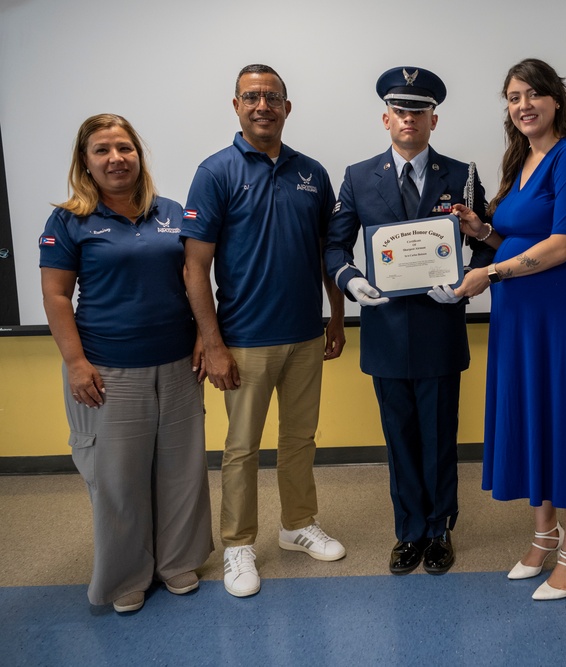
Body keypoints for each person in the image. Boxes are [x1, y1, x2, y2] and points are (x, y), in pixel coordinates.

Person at [453, 58, 566, 601]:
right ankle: (543, 537)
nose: (522, 104)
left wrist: (491, 271)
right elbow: (518, 237)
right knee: (534, 419)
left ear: (556, 99)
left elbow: (564, 244)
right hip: (521, 315)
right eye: (512, 97)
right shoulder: (519, 159)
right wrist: (482, 230)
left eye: (532, 94)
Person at [182, 64, 347, 599]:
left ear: (286, 107)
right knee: (241, 449)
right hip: (243, 340)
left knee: (299, 440)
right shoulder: (215, 172)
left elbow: (328, 253)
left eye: (271, 97)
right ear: (236, 105)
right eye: (251, 97)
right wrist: (212, 342)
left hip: (304, 335)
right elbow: (194, 266)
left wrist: (338, 315)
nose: (262, 106)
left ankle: (298, 525)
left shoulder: (312, 173)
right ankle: (238, 545)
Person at [39, 114, 213, 613]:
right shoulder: (69, 220)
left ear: (139, 154)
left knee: (182, 471)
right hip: (109, 370)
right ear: (85, 162)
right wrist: (75, 361)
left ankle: (178, 562)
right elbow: (55, 296)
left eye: (124, 148)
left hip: (179, 364)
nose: (116, 159)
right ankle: (125, 576)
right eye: (102, 150)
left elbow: (193, 277)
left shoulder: (174, 212)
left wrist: (205, 335)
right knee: (119, 479)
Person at [325, 66, 494, 575]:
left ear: (433, 120)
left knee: (441, 434)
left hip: (440, 325)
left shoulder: (461, 174)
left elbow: (485, 241)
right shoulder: (358, 176)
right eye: (400, 111)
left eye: (418, 112)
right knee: (399, 437)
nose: (409, 119)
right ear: (386, 118)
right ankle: (409, 531)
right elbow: (334, 244)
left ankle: (440, 528)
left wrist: (466, 274)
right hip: (385, 329)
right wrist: (351, 280)